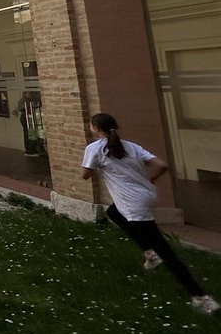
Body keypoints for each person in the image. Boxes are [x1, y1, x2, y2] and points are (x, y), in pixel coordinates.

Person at [82, 112, 219, 315]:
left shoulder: (95, 149)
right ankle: (150, 253)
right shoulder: (130, 146)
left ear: (96, 129)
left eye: (92, 126)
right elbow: (162, 165)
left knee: (166, 252)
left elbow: (84, 175)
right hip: (146, 195)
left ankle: (200, 297)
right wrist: (150, 180)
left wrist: (97, 167)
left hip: (133, 205)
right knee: (113, 212)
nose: (90, 129)